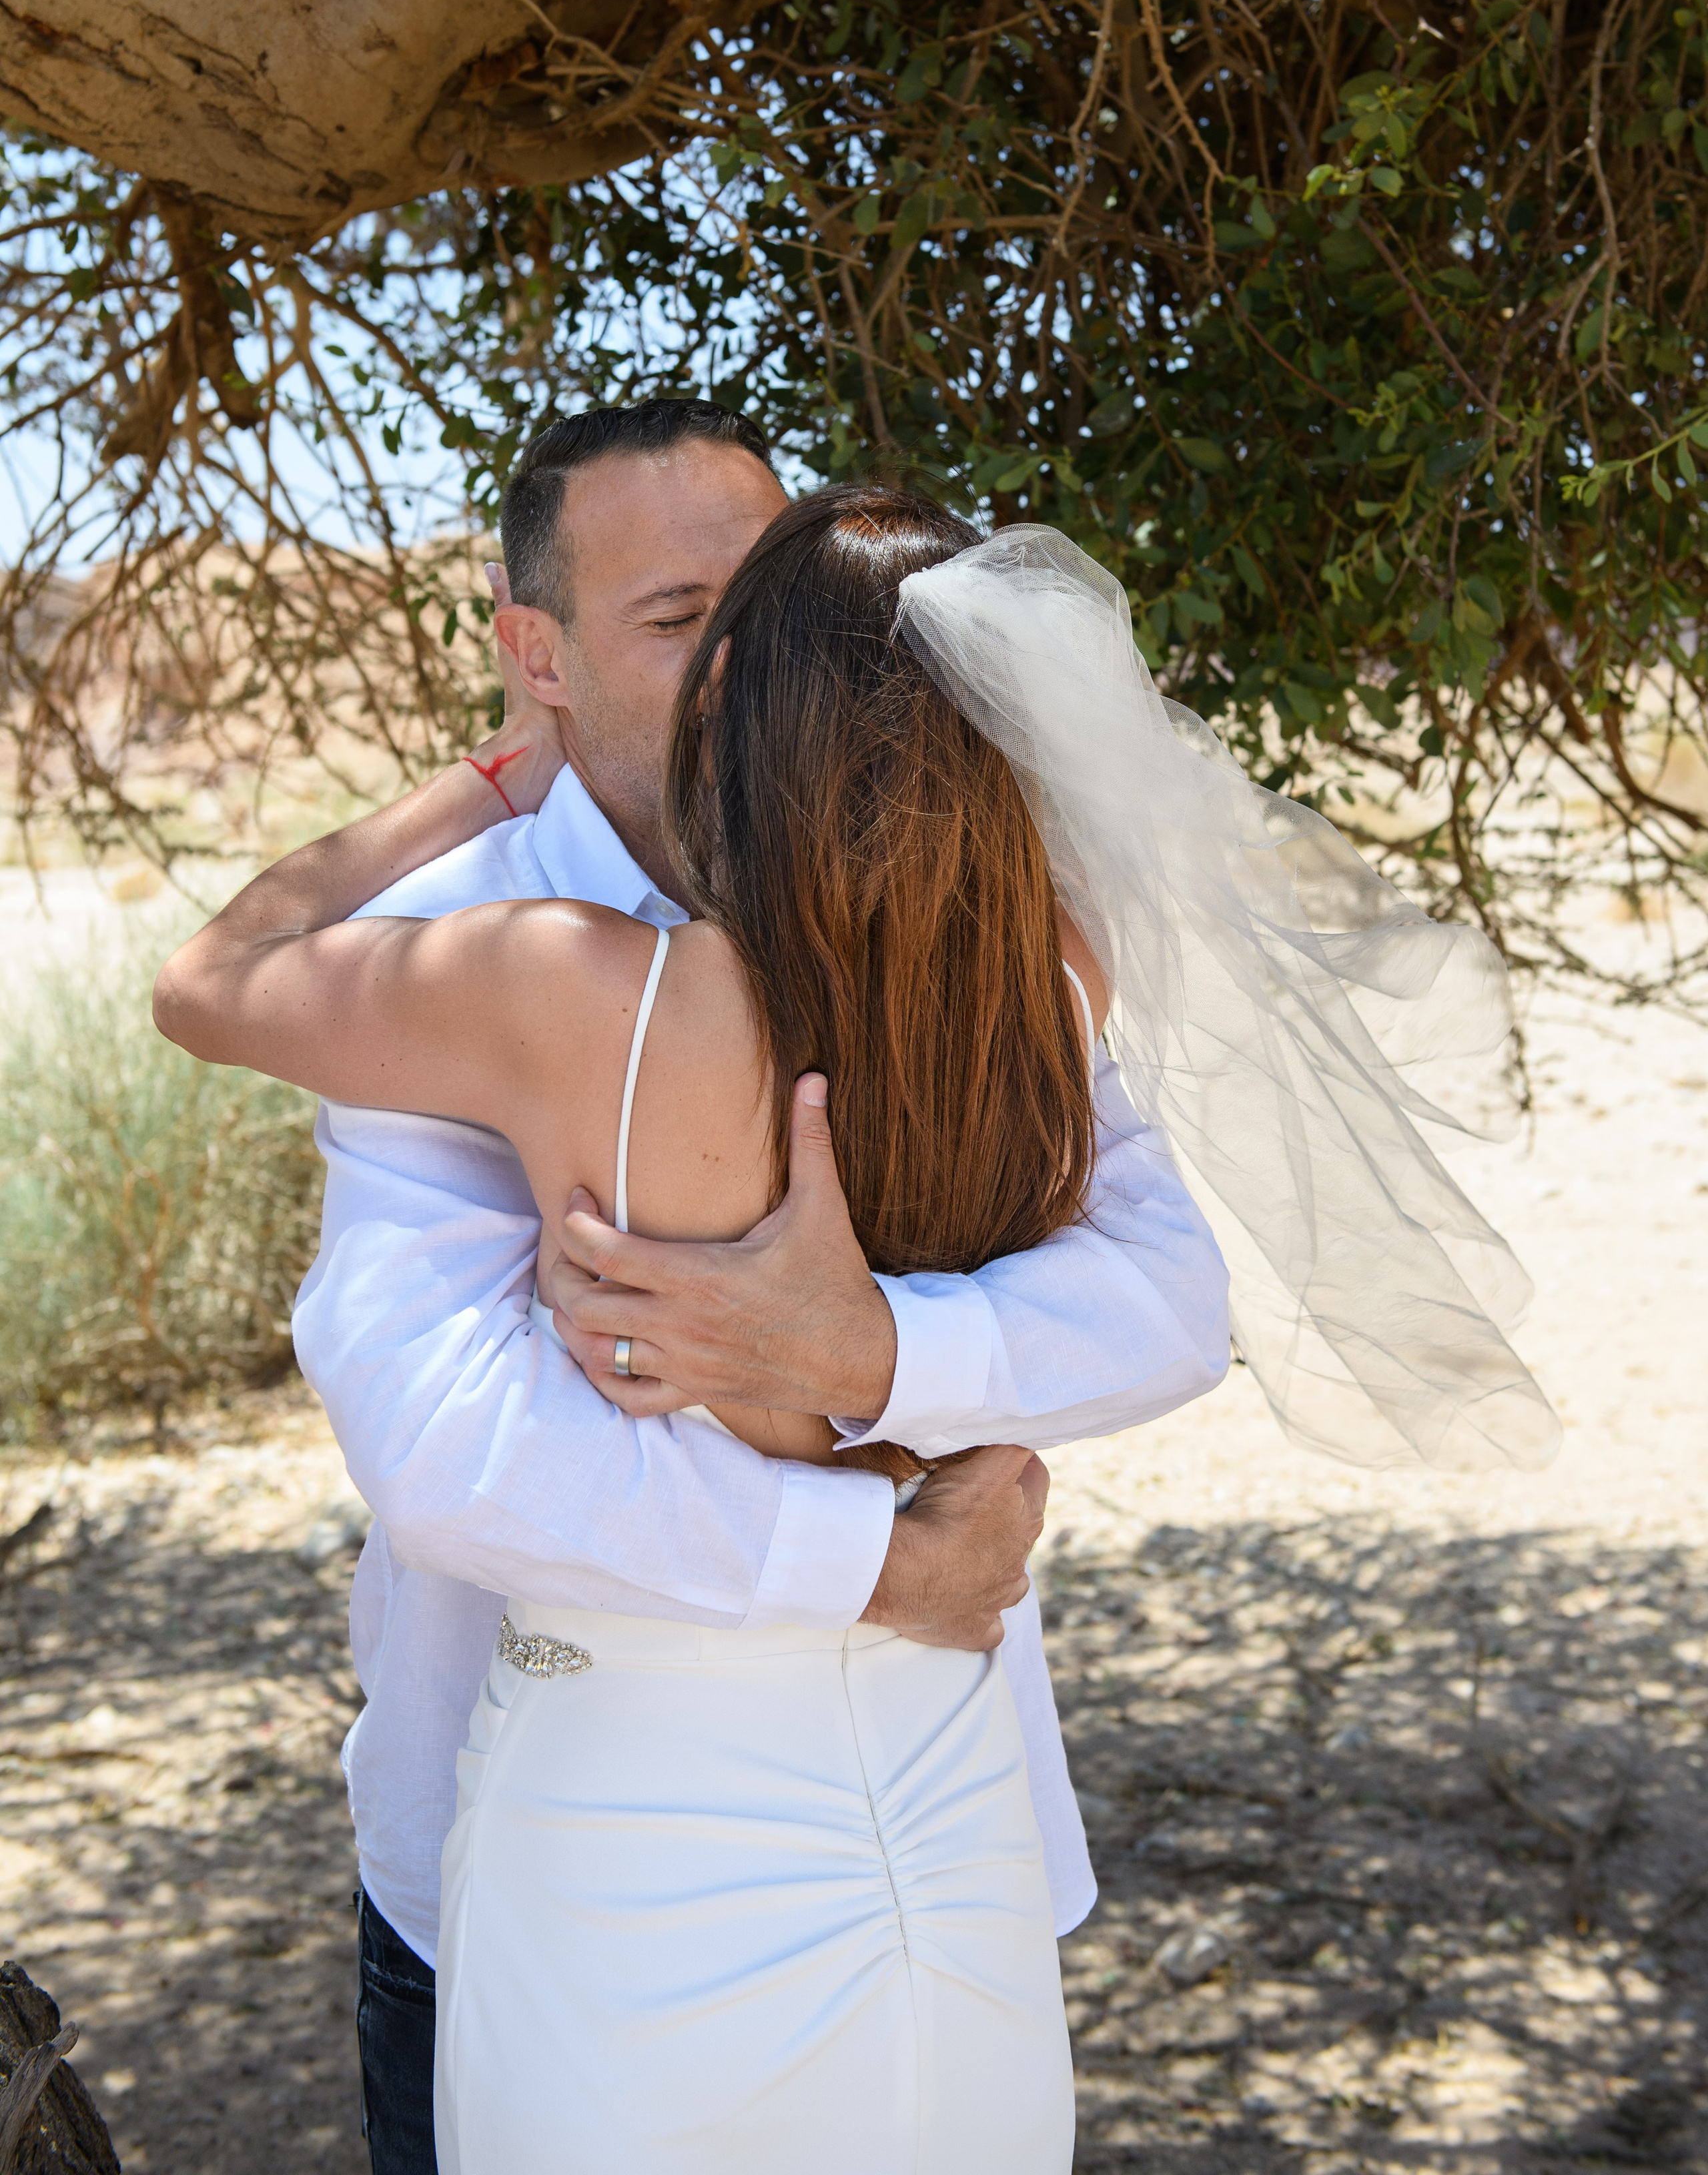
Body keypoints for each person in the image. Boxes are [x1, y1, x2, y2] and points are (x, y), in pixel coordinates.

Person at [169, 408, 1236, 2173]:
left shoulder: (975, 938)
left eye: (762, 619)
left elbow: (1171, 1298)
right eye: (682, 624)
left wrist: (873, 1343)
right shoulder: (466, 941)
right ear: (544, 659)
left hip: (936, 1789)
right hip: (531, 1846)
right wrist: (878, 1566)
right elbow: (449, 1445)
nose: (739, 674)